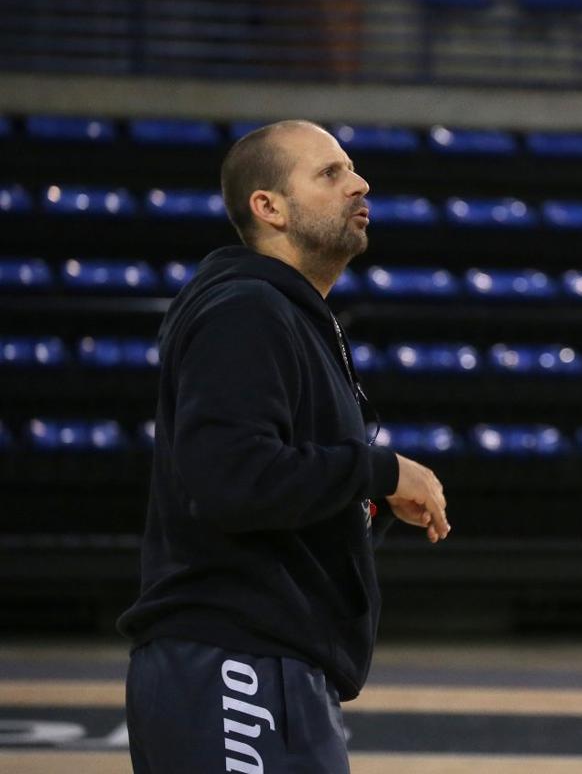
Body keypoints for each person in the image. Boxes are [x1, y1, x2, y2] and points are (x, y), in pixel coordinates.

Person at [118, 120, 450, 773]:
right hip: (233, 660)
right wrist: (380, 471)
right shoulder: (247, 310)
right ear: (267, 207)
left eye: (352, 168)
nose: (360, 183)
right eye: (330, 173)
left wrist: (359, 494)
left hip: (267, 661)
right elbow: (232, 479)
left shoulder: (285, 312)